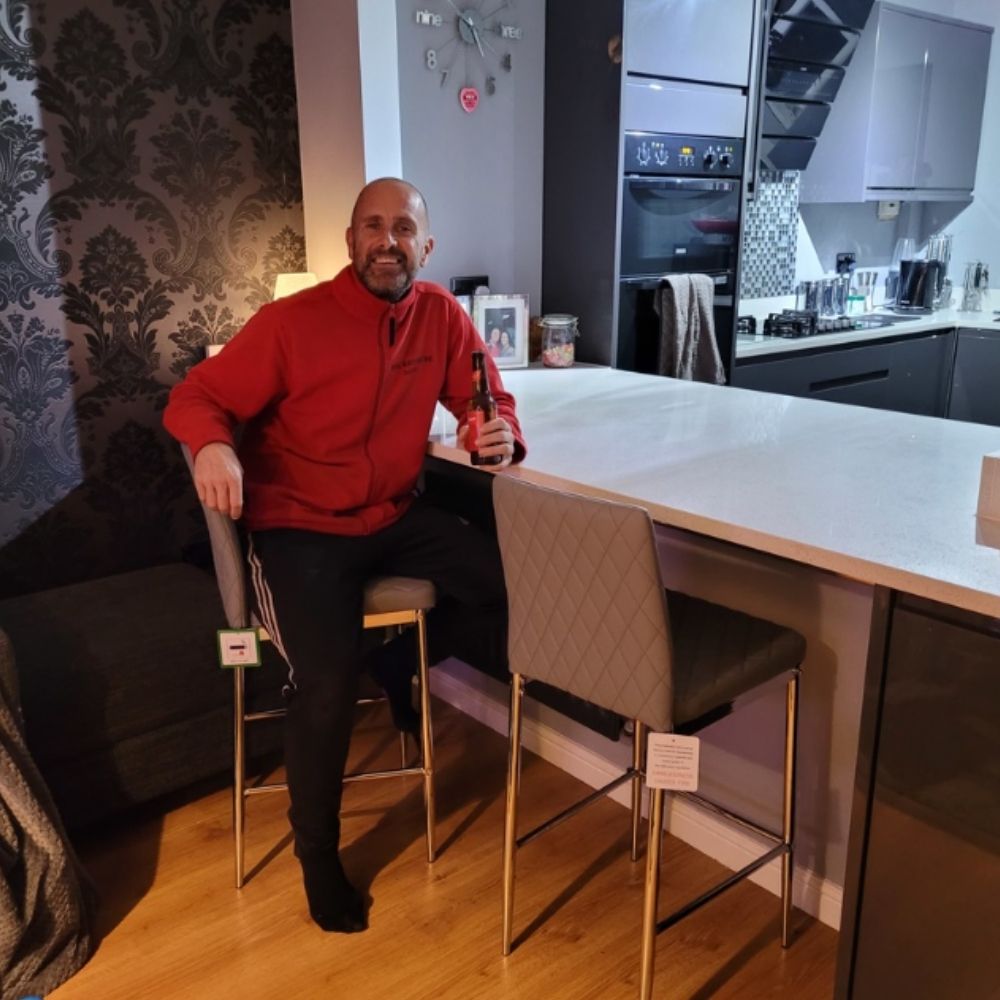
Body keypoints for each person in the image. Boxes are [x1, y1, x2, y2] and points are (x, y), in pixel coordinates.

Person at [163, 177, 525, 935]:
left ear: (426, 245)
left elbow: (482, 393)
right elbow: (196, 396)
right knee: (323, 686)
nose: (386, 242)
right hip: (300, 526)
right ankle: (318, 855)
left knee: (509, 586)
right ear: (350, 241)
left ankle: (396, 660)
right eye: (371, 227)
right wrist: (213, 445)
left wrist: (496, 432)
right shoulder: (291, 323)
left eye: (402, 229)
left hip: (392, 515)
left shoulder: (441, 316)